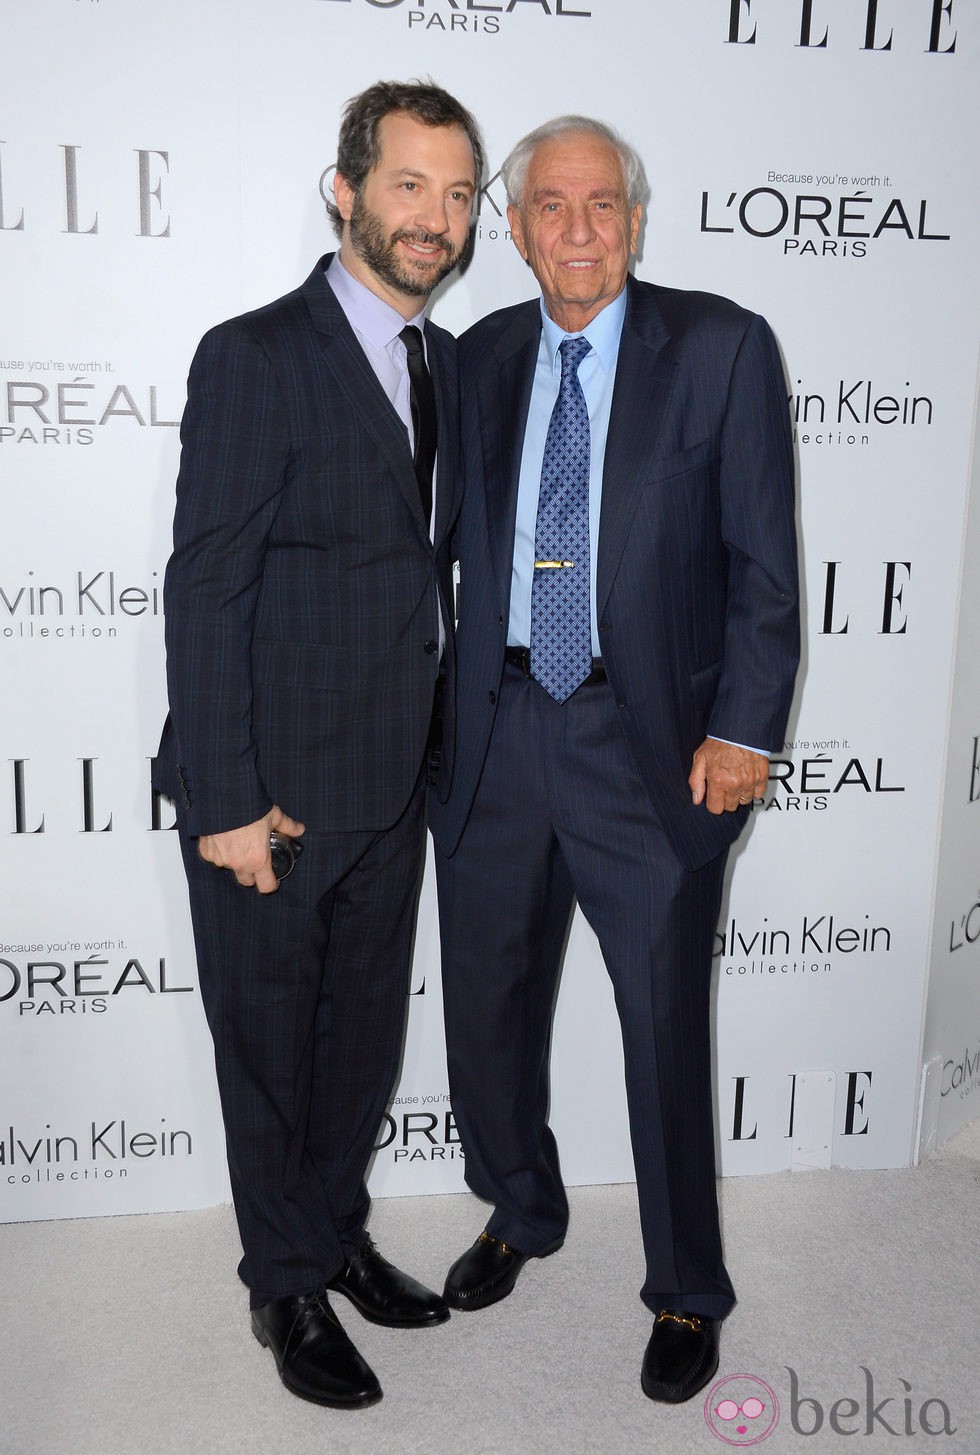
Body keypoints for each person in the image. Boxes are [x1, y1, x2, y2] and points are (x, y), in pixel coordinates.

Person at [430, 115, 799, 1405]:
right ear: (516, 229)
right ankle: (520, 1212)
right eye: (549, 207)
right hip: (493, 732)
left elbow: (762, 564)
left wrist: (746, 730)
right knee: (484, 1012)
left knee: (661, 1038)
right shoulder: (475, 358)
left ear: (635, 223)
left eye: (602, 207)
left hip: (645, 749)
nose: (576, 230)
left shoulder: (721, 348)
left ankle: (688, 1292)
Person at [153, 80, 483, 1410]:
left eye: (459, 195)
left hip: (393, 781)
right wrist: (225, 795)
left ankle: (336, 1230)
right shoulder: (257, 353)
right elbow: (208, 584)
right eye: (409, 186)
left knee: (356, 1045)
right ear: (344, 191)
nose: (436, 218)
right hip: (273, 793)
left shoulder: (443, 361)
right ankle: (282, 1282)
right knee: (271, 1045)